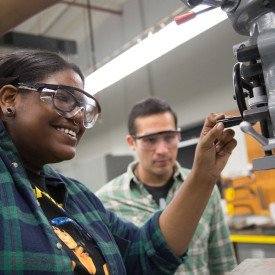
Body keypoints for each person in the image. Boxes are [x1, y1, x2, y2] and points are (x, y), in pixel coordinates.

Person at [0, 49, 236, 274]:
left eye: (83, 107)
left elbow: (144, 254)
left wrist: (203, 176)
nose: (79, 116)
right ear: (9, 99)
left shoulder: (79, 198)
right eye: (63, 98)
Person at [96, 97, 237, 274]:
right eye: (150, 140)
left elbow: (222, 262)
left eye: (169, 137)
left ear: (178, 136)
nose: (162, 150)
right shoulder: (105, 201)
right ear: (132, 142)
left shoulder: (205, 189)